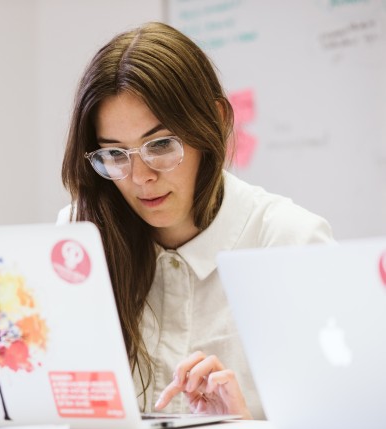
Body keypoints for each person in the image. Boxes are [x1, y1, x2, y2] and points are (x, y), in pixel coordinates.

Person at [58, 22, 333, 420]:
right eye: (115, 154)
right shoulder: (78, 241)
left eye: (162, 145)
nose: (141, 177)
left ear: (217, 121)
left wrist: (242, 425)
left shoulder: (289, 242)